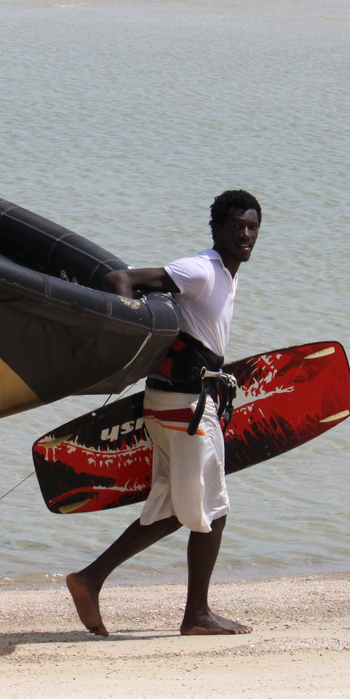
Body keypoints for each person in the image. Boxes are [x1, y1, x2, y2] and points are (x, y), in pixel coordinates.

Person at [65, 190, 262, 637]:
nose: (246, 235)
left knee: (179, 508)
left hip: (180, 403)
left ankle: (92, 580)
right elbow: (123, 279)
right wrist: (126, 350)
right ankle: (192, 615)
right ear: (217, 230)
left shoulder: (228, 275)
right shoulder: (202, 270)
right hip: (184, 408)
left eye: (252, 228)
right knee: (211, 508)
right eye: (237, 228)